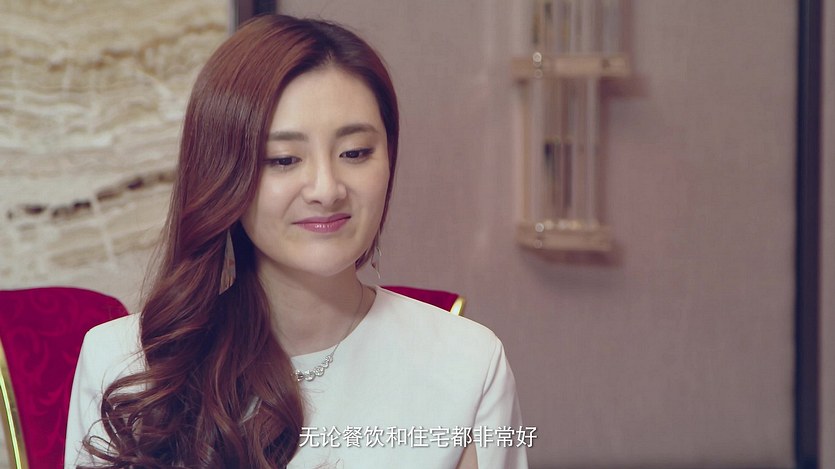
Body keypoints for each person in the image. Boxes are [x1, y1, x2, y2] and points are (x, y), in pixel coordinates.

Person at [65, 14, 527, 469]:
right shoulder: (127, 366)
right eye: (284, 159)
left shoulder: (465, 364)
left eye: (355, 153)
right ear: (224, 174)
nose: (326, 189)